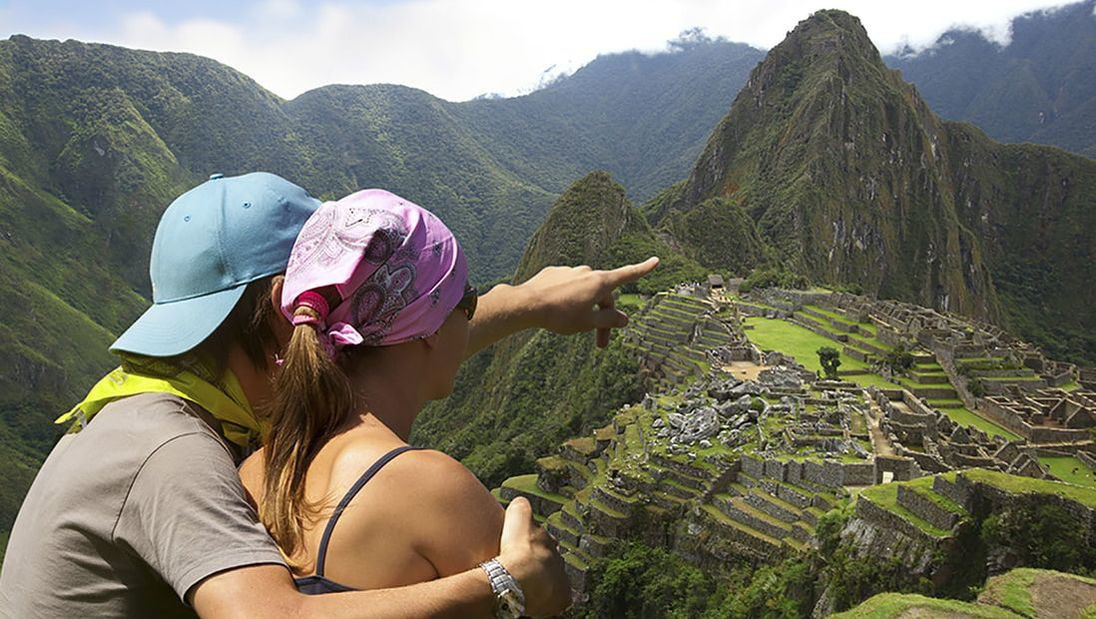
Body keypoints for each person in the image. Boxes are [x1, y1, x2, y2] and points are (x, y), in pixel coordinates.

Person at [0, 172, 657, 618]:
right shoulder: (171, 453)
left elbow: (385, 348)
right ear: (286, 307)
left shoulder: (216, 423)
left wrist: (531, 301)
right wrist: (505, 582)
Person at [236, 189, 542, 603]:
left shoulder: (255, 472)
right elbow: (540, 600)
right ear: (429, 326)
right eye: (466, 303)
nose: (470, 321)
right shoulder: (435, 491)